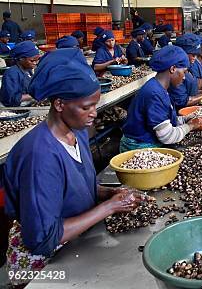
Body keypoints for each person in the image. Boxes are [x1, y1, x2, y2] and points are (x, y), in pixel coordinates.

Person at [2, 49, 145, 285]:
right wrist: (110, 207)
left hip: (77, 239)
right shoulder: (40, 156)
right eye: (86, 107)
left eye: (95, 105)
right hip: (43, 263)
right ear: (59, 104)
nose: (94, 113)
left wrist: (108, 193)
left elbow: (74, 183)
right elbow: (43, 239)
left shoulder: (76, 132)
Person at [120, 46, 202, 151]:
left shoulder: (159, 87)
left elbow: (162, 120)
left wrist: (184, 119)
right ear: (173, 69)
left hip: (147, 140)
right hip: (139, 147)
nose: (184, 77)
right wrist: (190, 126)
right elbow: (167, 137)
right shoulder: (155, 94)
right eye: (184, 72)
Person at [169, 35, 202, 111]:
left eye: (196, 55)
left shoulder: (188, 67)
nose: (195, 58)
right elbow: (182, 101)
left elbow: (187, 91)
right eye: (193, 55)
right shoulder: (177, 72)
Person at [0, 41, 39, 107]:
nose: (35, 63)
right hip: (12, 109)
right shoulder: (12, 73)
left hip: (26, 104)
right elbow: (11, 99)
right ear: (21, 59)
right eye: (32, 60)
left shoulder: (28, 70)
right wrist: (35, 95)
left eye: (37, 60)